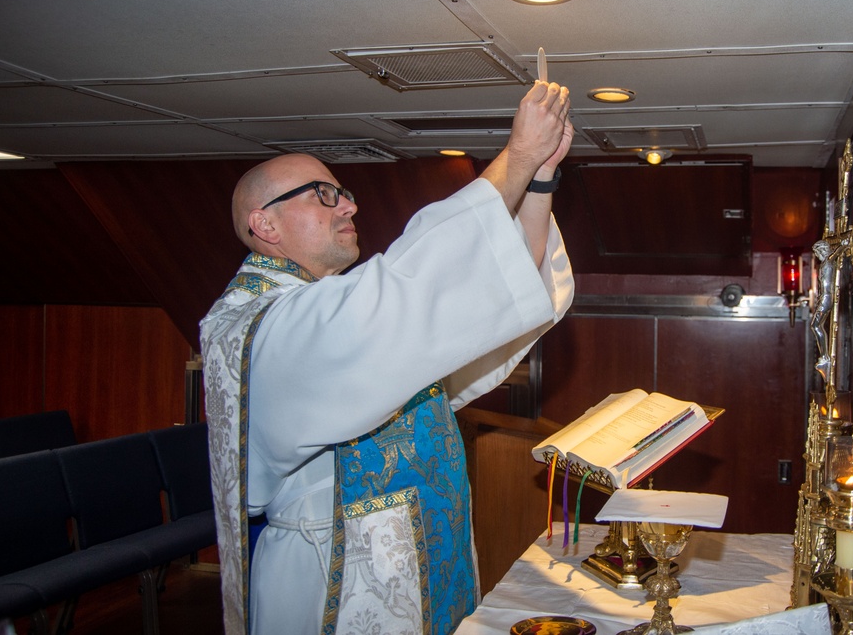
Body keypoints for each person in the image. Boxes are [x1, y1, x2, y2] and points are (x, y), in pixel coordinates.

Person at [200, 80, 575, 635]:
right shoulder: (254, 325)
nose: (348, 204)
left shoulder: (328, 311)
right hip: (336, 571)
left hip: (420, 549)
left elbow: (487, 289)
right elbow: (403, 291)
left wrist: (539, 177)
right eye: (322, 194)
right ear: (265, 225)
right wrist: (516, 156)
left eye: (343, 192)